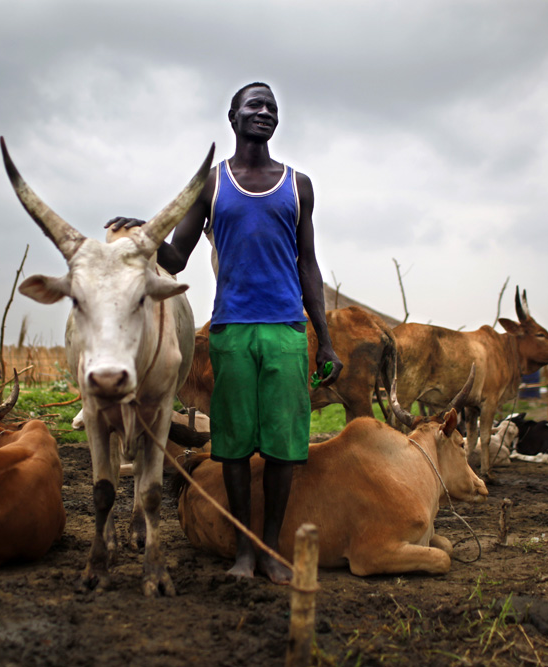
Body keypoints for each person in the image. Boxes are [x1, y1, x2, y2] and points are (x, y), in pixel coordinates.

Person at [106, 82, 342, 584]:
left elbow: (308, 265)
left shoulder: (298, 185)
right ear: (232, 117)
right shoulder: (212, 186)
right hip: (231, 329)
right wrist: (145, 231)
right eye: (254, 106)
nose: (264, 113)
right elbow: (176, 257)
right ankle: (241, 550)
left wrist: (327, 337)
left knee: (282, 447)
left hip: (286, 329)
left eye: (272, 108)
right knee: (232, 445)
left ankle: (270, 548)